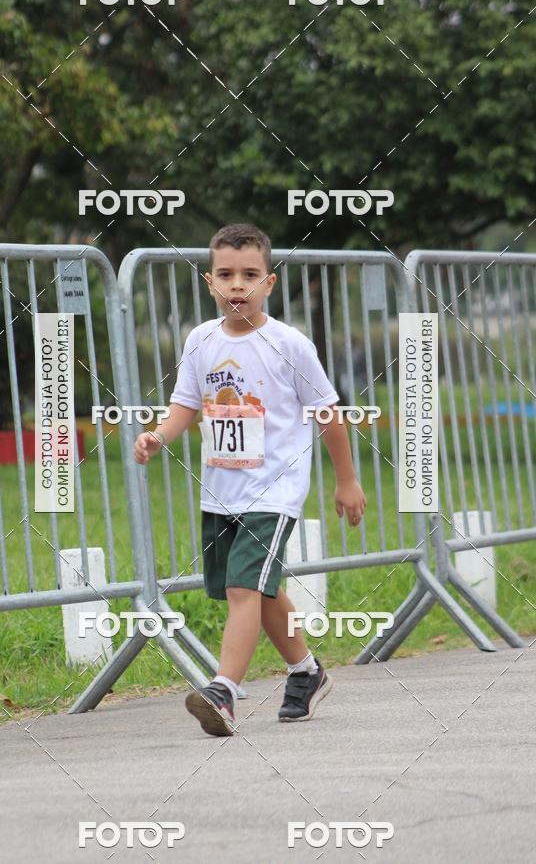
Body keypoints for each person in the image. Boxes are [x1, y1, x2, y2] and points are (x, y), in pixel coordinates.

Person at [134, 223, 366, 737]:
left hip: (275, 491)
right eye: (225, 275)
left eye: (249, 275)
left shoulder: (289, 344)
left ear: (269, 283)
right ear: (209, 282)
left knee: (244, 586)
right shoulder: (200, 340)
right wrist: (159, 435)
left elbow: (327, 414)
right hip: (222, 492)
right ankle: (306, 672)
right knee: (259, 590)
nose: (237, 284)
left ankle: (224, 692)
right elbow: (185, 404)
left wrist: (346, 481)